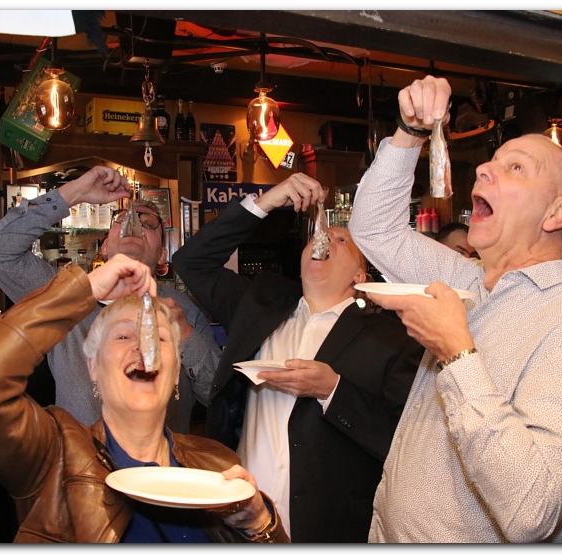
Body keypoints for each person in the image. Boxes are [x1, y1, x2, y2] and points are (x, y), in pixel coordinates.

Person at [348, 75, 562, 543]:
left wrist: (456, 353)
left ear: (557, 213)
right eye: (492, 161)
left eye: (516, 168)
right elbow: (375, 230)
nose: (483, 169)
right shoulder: (470, 280)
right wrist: (410, 131)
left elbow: (532, 510)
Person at [0, 254, 288, 544]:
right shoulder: (55, 454)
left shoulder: (216, 465)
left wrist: (261, 524)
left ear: (175, 372)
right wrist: (85, 290)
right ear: (92, 367)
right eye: (123, 336)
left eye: (158, 338)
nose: (142, 347)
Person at [172, 176, 423, 542]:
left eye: (341, 240)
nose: (325, 239)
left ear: (360, 274)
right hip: (238, 516)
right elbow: (191, 261)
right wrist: (266, 201)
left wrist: (332, 390)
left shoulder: (391, 338)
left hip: (325, 529)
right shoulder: (260, 304)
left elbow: (404, 442)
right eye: (320, 236)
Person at [0, 166, 221, 432]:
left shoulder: (183, 310)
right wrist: (74, 193)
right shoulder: (65, 296)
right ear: (105, 246)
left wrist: (184, 334)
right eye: (122, 219)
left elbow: (217, 394)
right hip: (81, 456)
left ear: (162, 253)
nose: (134, 225)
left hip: (162, 457)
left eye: (149, 223)